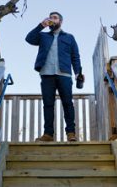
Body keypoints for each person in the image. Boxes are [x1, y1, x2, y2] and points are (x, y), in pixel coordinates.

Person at [25, 12, 84, 142]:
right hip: (46, 74)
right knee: (48, 104)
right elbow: (29, 39)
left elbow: (75, 56)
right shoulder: (43, 36)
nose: (52, 19)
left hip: (65, 74)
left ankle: (71, 133)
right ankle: (48, 134)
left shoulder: (69, 37)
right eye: (50, 17)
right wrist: (41, 25)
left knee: (68, 103)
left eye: (55, 18)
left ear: (60, 21)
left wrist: (78, 73)